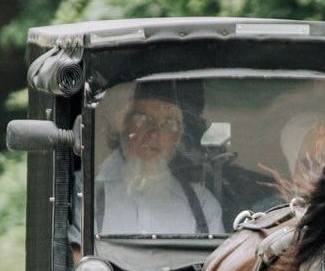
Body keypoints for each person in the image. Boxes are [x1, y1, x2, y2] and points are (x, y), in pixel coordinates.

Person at [72, 84, 224, 246]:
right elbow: (75, 256)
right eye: (143, 119)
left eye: (168, 123)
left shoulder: (202, 204)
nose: (154, 133)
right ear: (124, 125)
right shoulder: (85, 189)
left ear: (178, 137)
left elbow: (220, 268)